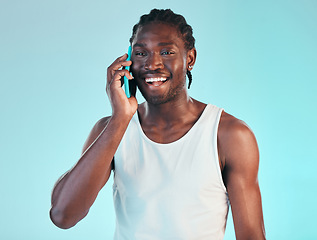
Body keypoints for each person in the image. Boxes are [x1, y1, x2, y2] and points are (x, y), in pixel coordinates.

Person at [50, 9, 266, 240]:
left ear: (190, 59)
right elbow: (63, 216)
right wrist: (120, 119)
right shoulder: (111, 130)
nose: (152, 64)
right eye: (141, 53)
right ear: (128, 61)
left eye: (166, 52)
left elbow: (251, 235)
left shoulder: (229, 134)